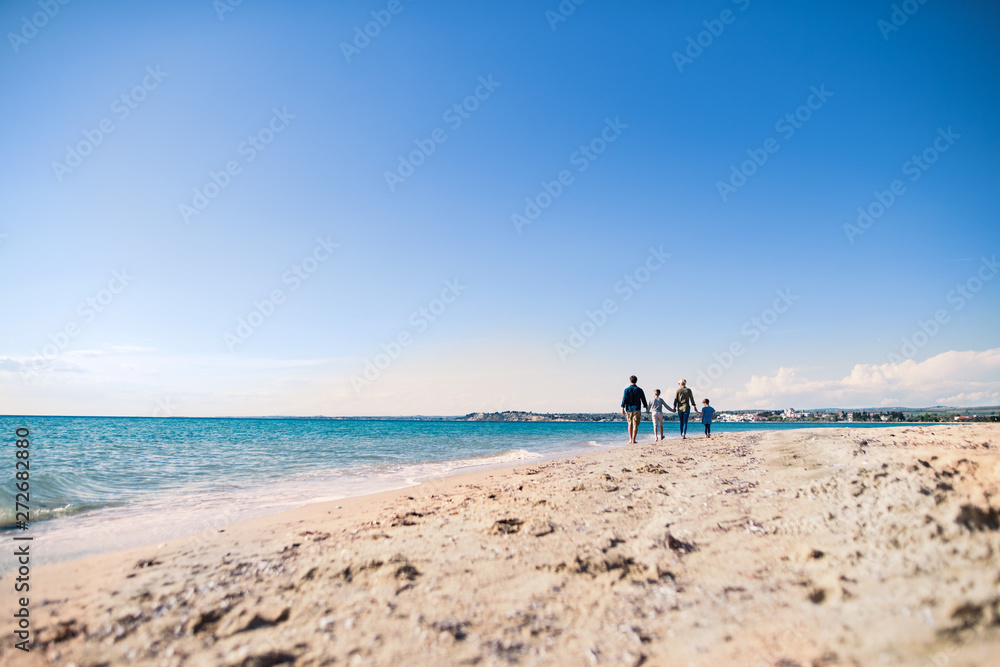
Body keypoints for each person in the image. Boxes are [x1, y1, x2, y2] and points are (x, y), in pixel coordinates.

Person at [621, 375, 648, 444]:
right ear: (636, 381)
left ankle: (630, 439)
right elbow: (643, 399)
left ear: (630, 381)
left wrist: (622, 408)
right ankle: (633, 439)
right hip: (637, 408)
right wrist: (646, 407)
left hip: (629, 409)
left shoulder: (626, 390)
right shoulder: (639, 390)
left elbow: (624, 399)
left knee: (630, 424)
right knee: (635, 424)